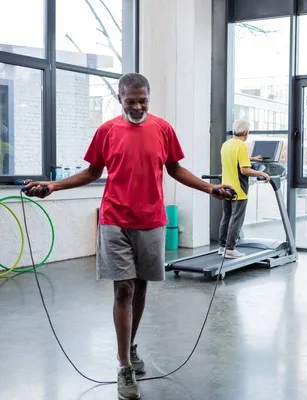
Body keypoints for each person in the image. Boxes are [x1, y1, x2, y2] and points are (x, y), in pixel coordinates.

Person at [24, 72, 234, 400]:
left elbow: (176, 169)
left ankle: (130, 346)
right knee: (123, 288)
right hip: (114, 220)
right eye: (130, 101)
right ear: (120, 98)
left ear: (149, 98)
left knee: (141, 288)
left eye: (142, 101)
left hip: (151, 222)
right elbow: (92, 172)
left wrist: (211, 188)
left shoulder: (163, 129)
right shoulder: (106, 131)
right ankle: (123, 365)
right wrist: (53, 185)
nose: (137, 106)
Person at [218, 119, 270, 258]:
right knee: (236, 219)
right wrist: (261, 173)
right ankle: (230, 249)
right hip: (238, 189)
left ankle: (222, 247)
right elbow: (244, 170)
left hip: (225, 187)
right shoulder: (241, 146)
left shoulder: (226, 144)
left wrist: (252, 158)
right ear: (246, 133)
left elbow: (235, 159)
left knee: (226, 217)